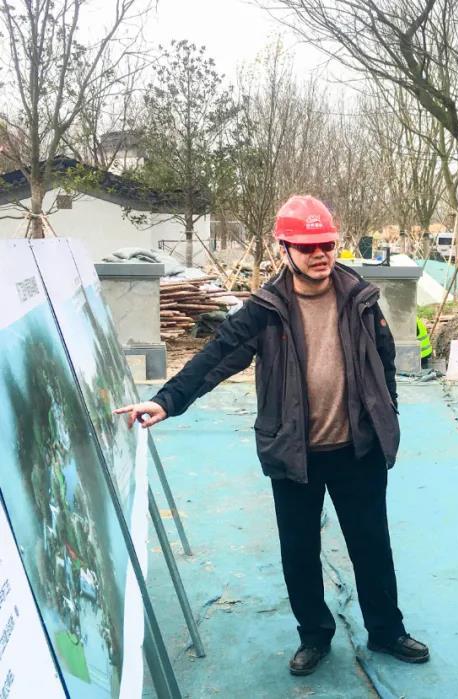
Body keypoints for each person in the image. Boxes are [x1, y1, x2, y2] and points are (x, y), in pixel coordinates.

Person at [114, 195, 429, 675]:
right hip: (294, 451)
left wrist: (387, 415)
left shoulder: (360, 299)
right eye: (307, 247)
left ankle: (386, 631)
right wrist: (167, 400)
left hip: (357, 450)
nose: (319, 254)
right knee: (299, 552)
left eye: (326, 244)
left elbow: (383, 361)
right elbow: (217, 356)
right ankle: (315, 635)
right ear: (284, 249)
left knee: (372, 546)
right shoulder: (266, 309)